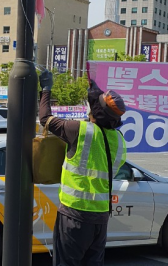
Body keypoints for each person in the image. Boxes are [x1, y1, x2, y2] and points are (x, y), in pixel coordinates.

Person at [39, 70, 127, 266]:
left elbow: (45, 119)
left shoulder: (79, 130)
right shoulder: (120, 142)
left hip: (74, 216)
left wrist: (46, 89)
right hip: (101, 218)